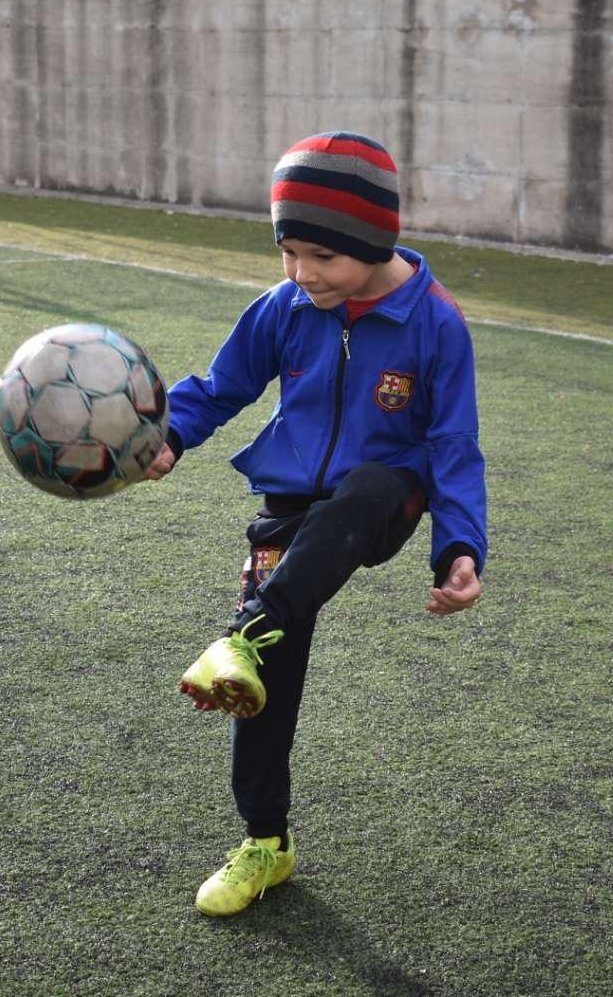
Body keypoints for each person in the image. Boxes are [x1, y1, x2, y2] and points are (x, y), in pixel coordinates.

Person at [144, 131, 487, 916]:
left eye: (321, 256)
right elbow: (220, 385)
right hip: (291, 507)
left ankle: (246, 630)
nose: (302, 272)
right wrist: (170, 435)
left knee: (366, 487)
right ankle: (266, 842)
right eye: (288, 252)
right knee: (256, 684)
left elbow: (454, 445)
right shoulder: (285, 306)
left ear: (373, 241)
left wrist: (460, 546)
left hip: (384, 499)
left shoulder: (436, 323)